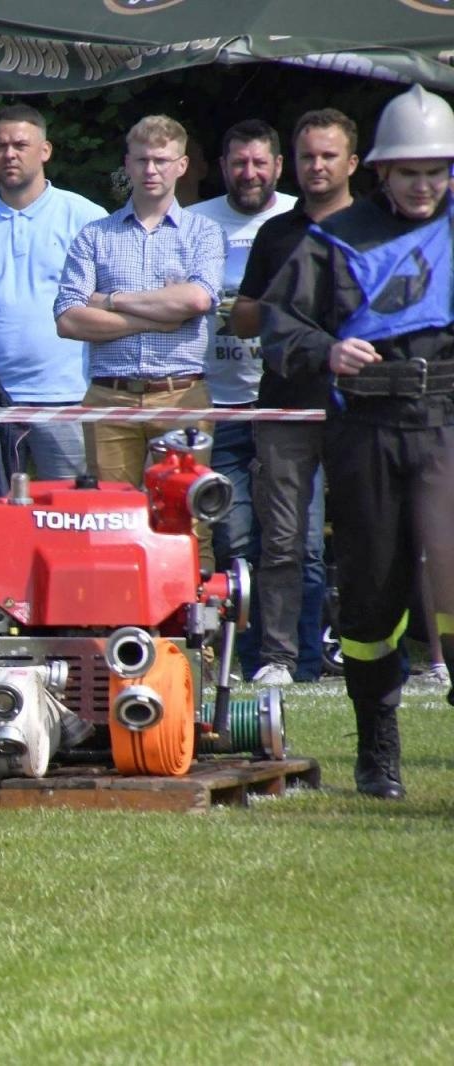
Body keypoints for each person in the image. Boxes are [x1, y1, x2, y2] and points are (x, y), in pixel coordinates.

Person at [261, 85, 454, 801]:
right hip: (366, 432)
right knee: (372, 599)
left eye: (438, 171)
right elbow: (278, 328)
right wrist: (328, 351)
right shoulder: (335, 240)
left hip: (447, 425)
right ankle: (378, 745)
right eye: (411, 173)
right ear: (382, 173)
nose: (425, 185)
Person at [231, 109, 359, 687]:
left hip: (363, 405)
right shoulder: (275, 232)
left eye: (328, 156)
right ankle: (279, 658)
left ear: (352, 163)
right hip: (284, 404)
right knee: (282, 542)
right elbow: (244, 318)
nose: (317, 166)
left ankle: (368, 652)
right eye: (308, 156)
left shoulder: (378, 229)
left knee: (369, 535)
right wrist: (275, 307)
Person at [54, 115, 227, 492]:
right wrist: (159, 316)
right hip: (109, 394)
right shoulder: (95, 235)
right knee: (110, 518)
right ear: (127, 163)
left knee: (188, 517)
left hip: (181, 392)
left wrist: (112, 300)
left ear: (181, 166)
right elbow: (68, 320)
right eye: (142, 159)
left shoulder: (204, 233)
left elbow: (198, 298)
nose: (151, 169)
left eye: (161, 160)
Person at [0, 105, 107, 483]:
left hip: (69, 399)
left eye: (19, 144)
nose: (9, 154)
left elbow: (109, 308)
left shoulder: (87, 219)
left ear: (45, 150)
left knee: (71, 519)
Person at [187, 119, 298, 679]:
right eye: (238, 162)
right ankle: (238, 657)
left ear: (278, 165)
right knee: (231, 537)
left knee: (296, 539)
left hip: (285, 400)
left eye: (259, 162)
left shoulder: (298, 217)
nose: (248, 172)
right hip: (218, 403)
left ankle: (297, 661)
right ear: (222, 164)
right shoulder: (196, 221)